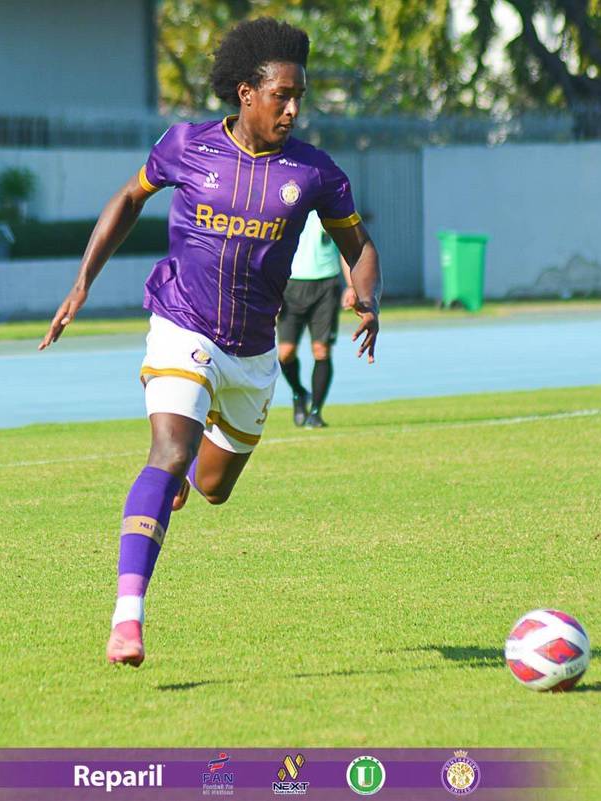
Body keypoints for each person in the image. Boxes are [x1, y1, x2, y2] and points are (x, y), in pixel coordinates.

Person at [38, 17, 382, 667]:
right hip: (182, 324)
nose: (293, 107)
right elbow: (128, 198)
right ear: (247, 92)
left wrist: (367, 296)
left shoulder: (314, 173)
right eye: (282, 93)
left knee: (213, 486)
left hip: (253, 353)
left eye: (299, 95)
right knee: (166, 454)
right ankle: (127, 618)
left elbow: (357, 246)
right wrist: (82, 283)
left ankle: (193, 470)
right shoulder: (185, 146)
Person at [278, 209, 355, 427]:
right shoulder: (286, 208)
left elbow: (345, 249)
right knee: (285, 353)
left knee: (321, 349)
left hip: (325, 286)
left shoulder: (328, 208)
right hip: (290, 287)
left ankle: (316, 412)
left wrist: (351, 286)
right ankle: (299, 393)